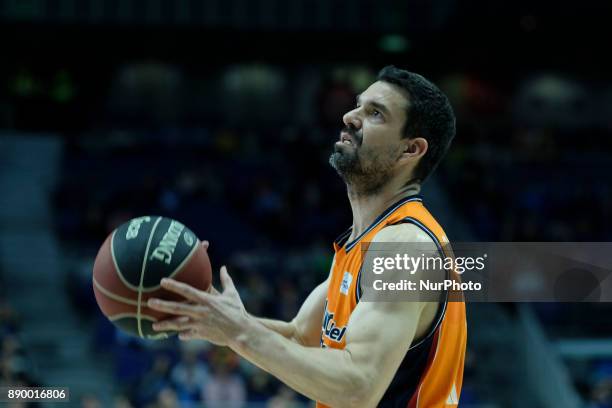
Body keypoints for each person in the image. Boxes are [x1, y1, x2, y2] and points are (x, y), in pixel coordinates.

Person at [147, 65, 467, 407]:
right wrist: (221, 318)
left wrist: (239, 331)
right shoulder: (364, 242)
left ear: (410, 150)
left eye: (375, 114)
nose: (349, 116)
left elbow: (359, 387)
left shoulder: (407, 247)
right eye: (358, 105)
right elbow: (301, 338)